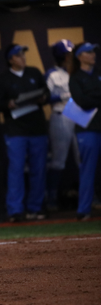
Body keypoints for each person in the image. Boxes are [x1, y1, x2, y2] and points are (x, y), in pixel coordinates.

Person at [0, 44, 49, 222]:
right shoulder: (3, 78)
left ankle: (35, 208)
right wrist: (9, 104)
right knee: (16, 170)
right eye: (19, 55)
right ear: (11, 59)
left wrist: (44, 97)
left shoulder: (34, 72)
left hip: (37, 128)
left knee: (39, 169)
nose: (23, 58)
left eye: (23, 55)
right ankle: (15, 210)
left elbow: (46, 93)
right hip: (16, 130)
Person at [69, 42, 101, 221]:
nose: (93, 55)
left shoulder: (98, 74)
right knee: (87, 169)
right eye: (88, 52)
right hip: (87, 128)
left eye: (93, 52)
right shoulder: (75, 77)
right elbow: (81, 101)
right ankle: (84, 210)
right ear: (80, 56)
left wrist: (92, 97)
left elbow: (88, 99)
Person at [45, 39, 78, 211]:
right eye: (67, 54)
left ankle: (90, 196)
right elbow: (44, 98)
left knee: (83, 158)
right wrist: (63, 96)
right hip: (61, 114)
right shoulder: (52, 74)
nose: (70, 56)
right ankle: (51, 198)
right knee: (58, 160)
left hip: (79, 115)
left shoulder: (77, 72)